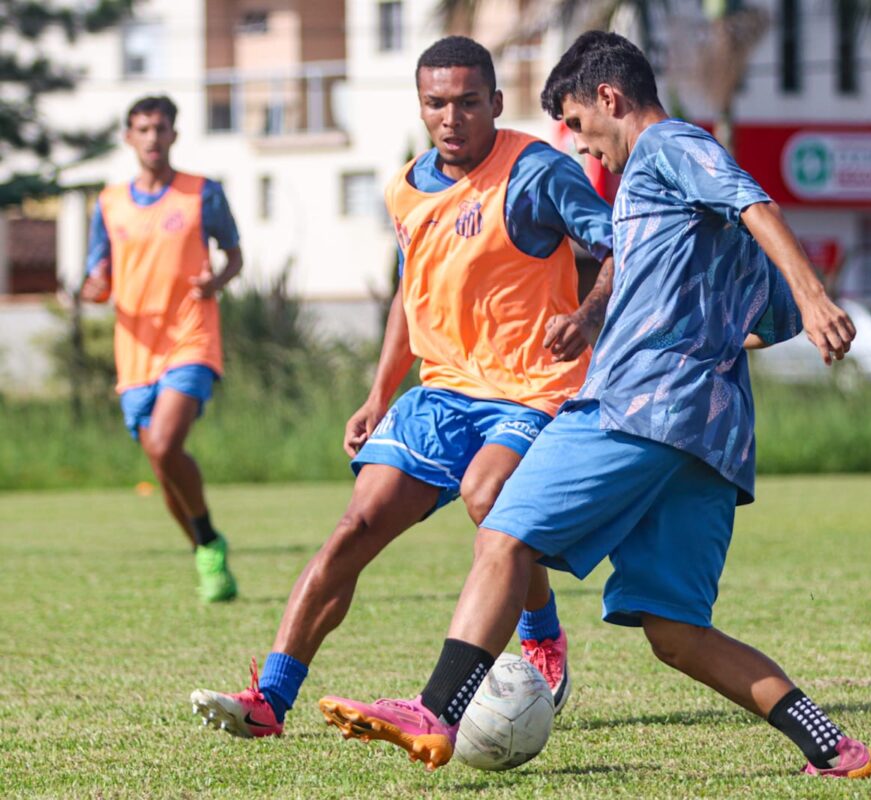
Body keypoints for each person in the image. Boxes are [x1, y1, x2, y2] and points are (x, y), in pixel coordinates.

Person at [316, 32, 871, 779]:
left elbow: (755, 201)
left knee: (503, 529)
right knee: (675, 631)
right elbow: (757, 317)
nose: (588, 154)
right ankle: (832, 746)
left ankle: (436, 711)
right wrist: (602, 321)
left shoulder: (668, 147)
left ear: (610, 100)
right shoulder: (676, 213)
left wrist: (816, 298)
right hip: (709, 441)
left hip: (633, 411)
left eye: (582, 127)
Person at [189, 36, 614, 737]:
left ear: (496, 103)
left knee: (489, 498)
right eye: (437, 104)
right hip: (441, 395)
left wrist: (587, 315)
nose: (453, 117)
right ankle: (271, 699)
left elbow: (618, 246)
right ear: (421, 107)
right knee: (353, 530)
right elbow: (408, 297)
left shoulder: (537, 170)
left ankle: (539, 631)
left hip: (533, 389)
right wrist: (378, 394)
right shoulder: (406, 186)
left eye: (469, 102)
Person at [81, 95, 242, 603]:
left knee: (165, 444)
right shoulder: (108, 203)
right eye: (143, 129)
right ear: (129, 137)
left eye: (161, 128)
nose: (152, 138)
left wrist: (215, 281)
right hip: (134, 352)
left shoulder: (202, 194)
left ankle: (208, 545)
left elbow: (235, 256)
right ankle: (207, 544)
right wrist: (94, 287)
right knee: (160, 465)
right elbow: (98, 276)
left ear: (174, 134)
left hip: (191, 339)